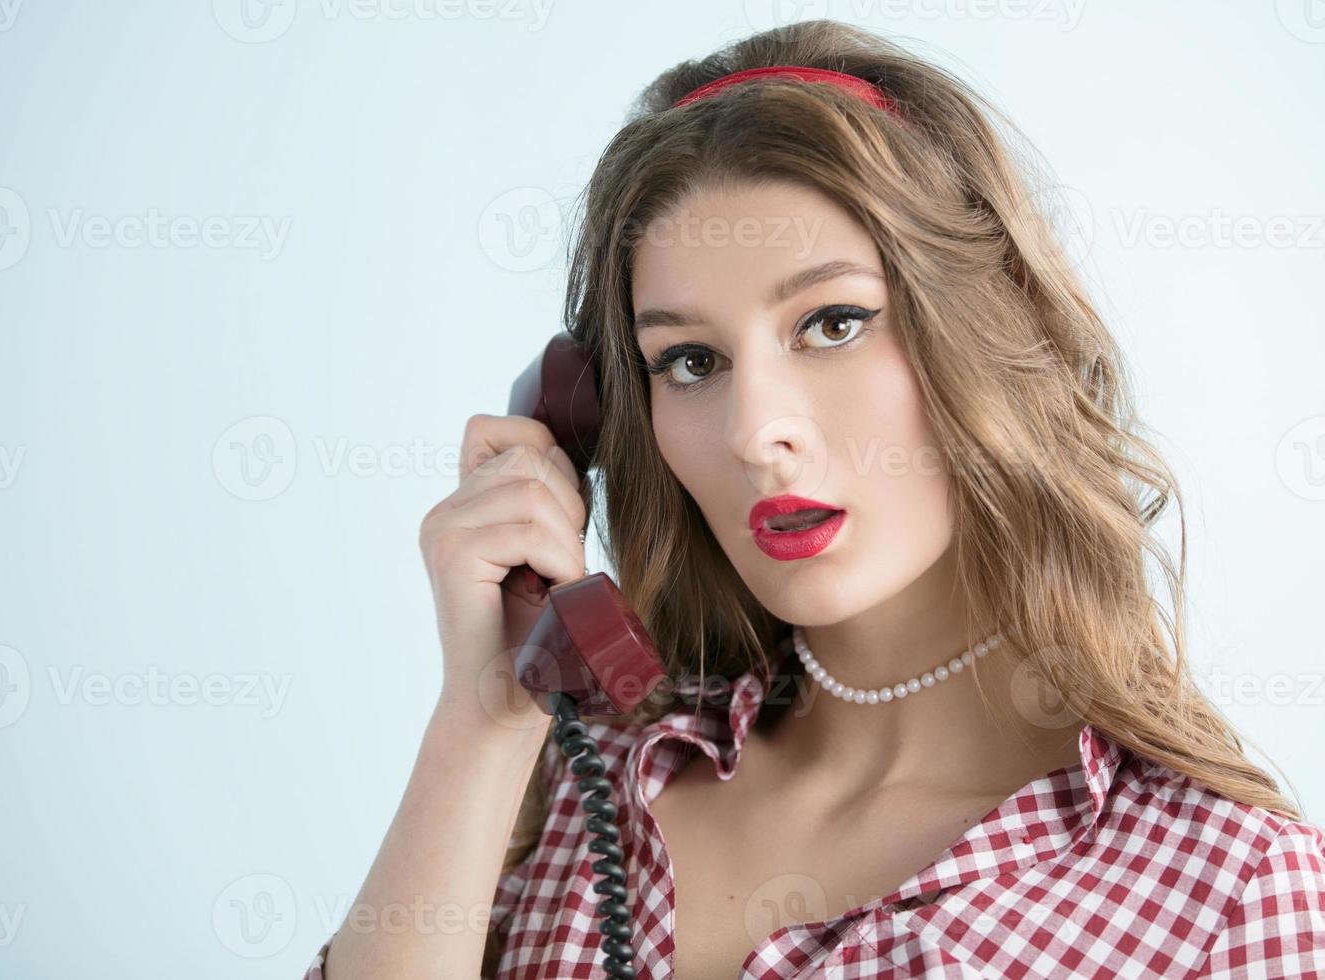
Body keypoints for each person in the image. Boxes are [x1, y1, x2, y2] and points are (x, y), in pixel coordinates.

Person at [312, 19, 1325, 979]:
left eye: (832, 323)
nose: (757, 431)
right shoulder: (584, 777)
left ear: (993, 330)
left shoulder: (1228, 890)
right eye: (692, 360)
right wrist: (486, 715)